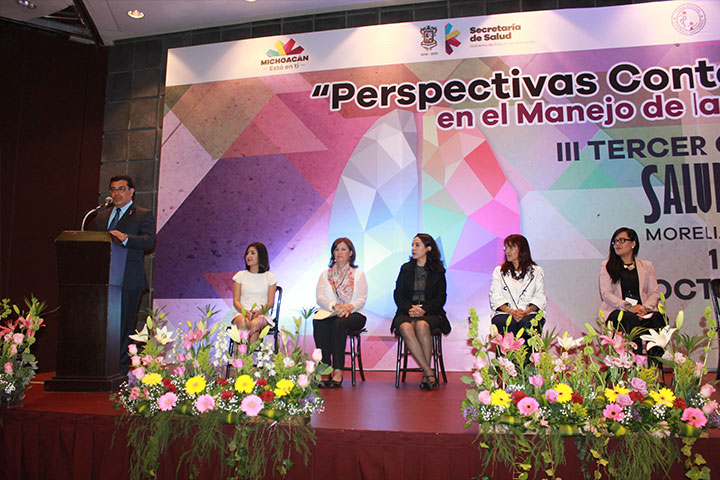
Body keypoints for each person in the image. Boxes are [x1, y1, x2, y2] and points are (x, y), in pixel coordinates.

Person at [92, 175, 156, 374]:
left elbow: (148, 242)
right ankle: (99, 368)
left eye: (121, 189)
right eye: (113, 189)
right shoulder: (100, 216)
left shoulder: (142, 215)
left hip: (128, 280)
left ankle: (118, 372)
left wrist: (126, 238)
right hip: (103, 281)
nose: (116, 193)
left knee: (123, 326)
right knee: (102, 326)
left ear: (131, 191)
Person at [391, 233, 450, 391]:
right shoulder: (406, 269)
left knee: (422, 325)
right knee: (405, 327)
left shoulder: (438, 271)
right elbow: (398, 295)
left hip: (431, 313)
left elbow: (441, 298)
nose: (413, 248)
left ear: (428, 248)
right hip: (407, 311)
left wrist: (424, 309)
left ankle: (427, 374)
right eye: (412, 245)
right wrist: (411, 308)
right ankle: (429, 372)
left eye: (417, 245)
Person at [599, 227, 665, 354]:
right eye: (615, 241)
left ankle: (655, 362)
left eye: (622, 240)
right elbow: (606, 294)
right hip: (618, 311)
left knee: (657, 319)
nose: (617, 244)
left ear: (633, 243)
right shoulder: (607, 266)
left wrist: (644, 308)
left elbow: (654, 293)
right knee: (631, 319)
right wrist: (628, 307)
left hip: (642, 310)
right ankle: (636, 360)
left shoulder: (647, 266)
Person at [314, 237, 367, 388]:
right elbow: (320, 297)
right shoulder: (325, 274)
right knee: (319, 322)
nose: (339, 252)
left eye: (343, 249)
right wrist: (335, 306)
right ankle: (325, 369)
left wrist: (348, 308)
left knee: (339, 324)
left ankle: (338, 370)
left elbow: (361, 299)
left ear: (351, 253)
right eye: (336, 249)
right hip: (331, 311)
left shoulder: (358, 274)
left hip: (355, 313)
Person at [489, 234, 546, 343]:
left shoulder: (536, 271)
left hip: (529, 313)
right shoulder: (499, 271)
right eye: (506, 248)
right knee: (507, 323)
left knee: (528, 324)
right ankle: (506, 354)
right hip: (505, 313)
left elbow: (540, 297)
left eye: (511, 247)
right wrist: (511, 312)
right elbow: (495, 296)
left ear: (522, 249)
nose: (507, 251)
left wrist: (526, 312)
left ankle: (528, 354)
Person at [232, 242, 277, 345]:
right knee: (243, 322)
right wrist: (245, 312)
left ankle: (250, 354)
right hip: (241, 313)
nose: (248, 256)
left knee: (255, 323)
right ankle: (241, 354)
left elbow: (270, 302)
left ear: (261, 256)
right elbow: (236, 301)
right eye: (247, 253)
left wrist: (259, 312)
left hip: (262, 315)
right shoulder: (240, 275)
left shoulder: (269, 277)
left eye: (252, 253)